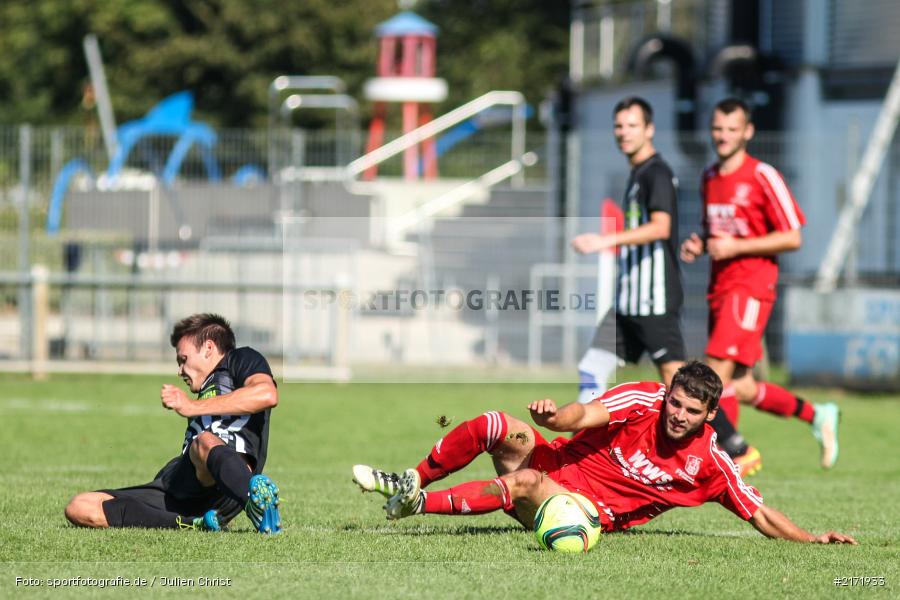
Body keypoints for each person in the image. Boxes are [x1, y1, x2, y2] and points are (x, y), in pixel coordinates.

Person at [352, 362, 855, 545]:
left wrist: (812, 539)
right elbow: (583, 415)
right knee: (494, 424)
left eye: (689, 410)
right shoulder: (643, 399)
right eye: (674, 402)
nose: (676, 414)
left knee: (524, 485)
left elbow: (760, 512)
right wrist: (552, 421)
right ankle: (410, 481)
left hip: (582, 513)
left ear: (709, 416)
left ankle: (419, 507)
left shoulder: (711, 464)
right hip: (554, 462)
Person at [680, 98, 840, 475]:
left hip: (751, 286)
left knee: (714, 370)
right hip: (720, 286)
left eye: (732, 129)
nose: (723, 136)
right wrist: (700, 244)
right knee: (743, 386)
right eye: (718, 128)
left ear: (748, 132)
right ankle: (818, 414)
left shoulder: (762, 175)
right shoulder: (709, 176)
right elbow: (716, 231)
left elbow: (792, 236)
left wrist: (737, 247)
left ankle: (730, 454)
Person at [64, 313, 282, 534]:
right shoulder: (205, 391)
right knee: (79, 506)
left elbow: (266, 395)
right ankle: (193, 523)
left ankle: (256, 506)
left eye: (183, 360)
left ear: (208, 348)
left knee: (203, 441)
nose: (180, 371)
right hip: (180, 483)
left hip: (228, 482)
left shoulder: (240, 359)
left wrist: (191, 407)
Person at [571, 97, 686, 403]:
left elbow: (661, 227)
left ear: (649, 129)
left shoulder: (656, 173)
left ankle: (735, 449)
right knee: (591, 369)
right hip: (627, 303)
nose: (624, 132)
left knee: (681, 390)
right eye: (618, 126)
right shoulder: (637, 175)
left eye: (632, 125)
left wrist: (604, 241)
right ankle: (580, 451)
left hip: (654, 301)